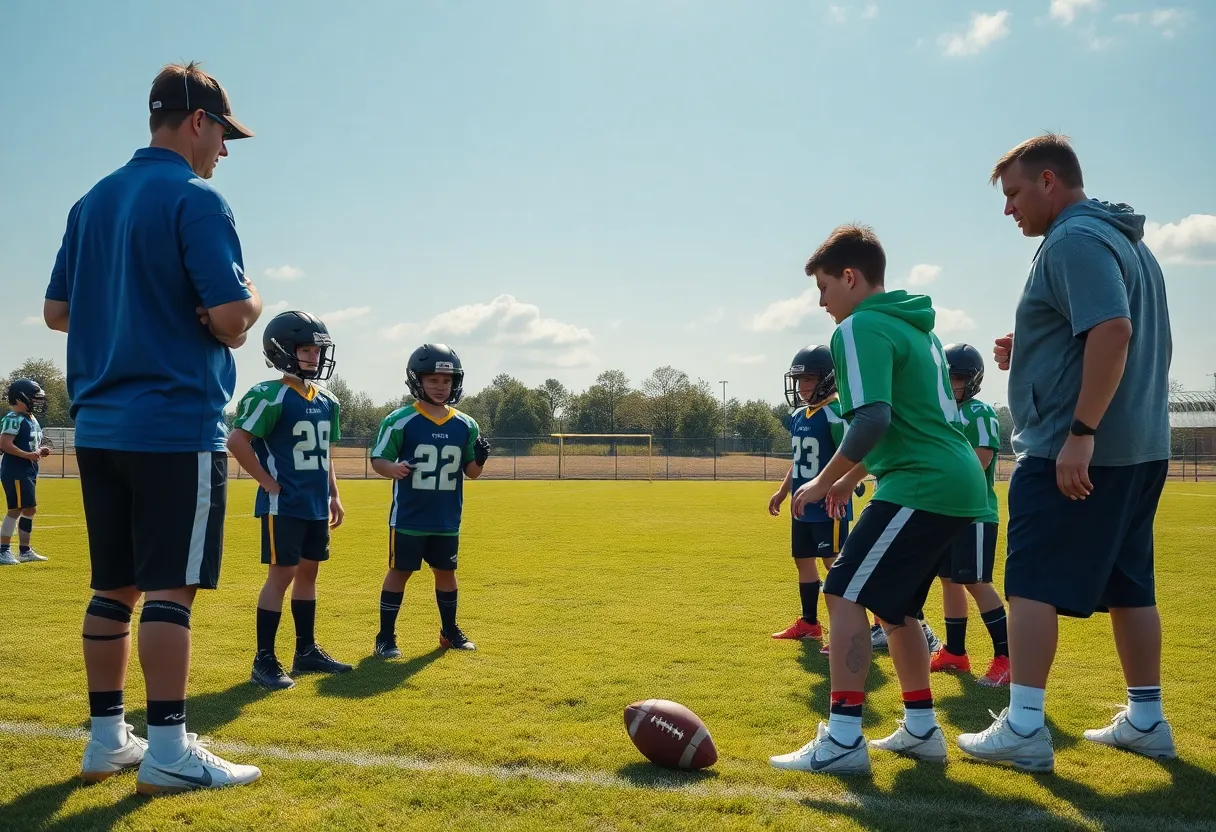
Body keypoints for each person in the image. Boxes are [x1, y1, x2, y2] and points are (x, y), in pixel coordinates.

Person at [44, 61, 263, 793]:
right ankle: (168, 749)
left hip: (99, 427)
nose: (224, 150)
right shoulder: (197, 199)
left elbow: (58, 312)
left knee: (115, 586)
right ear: (198, 120)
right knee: (172, 589)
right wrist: (252, 303)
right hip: (173, 423)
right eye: (223, 134)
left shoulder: (91, 200)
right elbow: (229, 318)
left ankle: (107, 739)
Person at [958, 134, 1175, 771]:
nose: (1009, 209)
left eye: (1014, 193)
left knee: (1029, 582)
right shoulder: (1124, 239)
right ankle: (1146, 718)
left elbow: (1113, 330)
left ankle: (1025, 726)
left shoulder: (1073, 238)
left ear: (1049, 181)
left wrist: (1080, 432)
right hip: (1140, 448)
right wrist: (1031, 343)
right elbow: (1107, 329)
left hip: (1073, 449)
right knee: (1132, 586)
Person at [769, 224, 988, 775]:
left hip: (922, 481)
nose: (821, 302)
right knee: (897, 608)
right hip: (950, 478)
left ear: (849, 277)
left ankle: (844, 737)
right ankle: (921, 728)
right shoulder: (915, 328)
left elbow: (872, 418)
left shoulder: (859, 326)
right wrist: (849, 479)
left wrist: (824, 481)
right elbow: (907, 421)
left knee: (842, 592)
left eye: (823, 287)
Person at [227, 311, 352, 691]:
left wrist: (334, 493)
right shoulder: (270, 394)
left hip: (314, 503)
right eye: (306, 350)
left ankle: (306, 650)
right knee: (281, 575)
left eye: (318, 350)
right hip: (283, 505)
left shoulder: (327, 399)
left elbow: (324, 453)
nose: (315, 357)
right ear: (282, 351)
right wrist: (267, 482)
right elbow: (237, 441)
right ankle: (264, 659)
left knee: (309, 574)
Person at [370, 344, 491, 657]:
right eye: (433, 380)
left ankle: (449, 631)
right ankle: (385, 637)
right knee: (400, 572)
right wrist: (392, 469)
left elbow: (472, 473)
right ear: (417, 380)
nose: (441, 387)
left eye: (447, 381)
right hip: (409, 516)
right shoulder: (400, 420)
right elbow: (379, 459)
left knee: (446, 573)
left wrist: (480, 459)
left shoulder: (466, 424)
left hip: (446, 517)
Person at [928, 344, 1010, 687]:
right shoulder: (941, 411)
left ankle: (1007, 657)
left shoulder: (979, 412)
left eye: (958, 377)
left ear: (973, 379)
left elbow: (979, 462)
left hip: (973, 513)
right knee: (949, 580)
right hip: (945, 512)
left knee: (976, 582)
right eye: (947, 377)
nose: (951, 384)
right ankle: (955, 652)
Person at [768, 345, 855, 645]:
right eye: (798, 380)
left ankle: (847, 630)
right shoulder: (799, 415)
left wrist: (846, 485)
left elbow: (852, 455)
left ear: (827, 379)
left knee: (834, 564)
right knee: (803, 560)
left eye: (808, 379)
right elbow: (799, 460)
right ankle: (809, 623)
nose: (802, 386)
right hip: (802, 503)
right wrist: (783, 491)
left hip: (829, 504)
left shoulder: (836, 414)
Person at [0, 380, 51, 565]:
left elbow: (29, 443)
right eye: (33, 398)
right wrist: (27, 455)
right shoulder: (14, 417)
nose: (37, 402)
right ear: (20, 398)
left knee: (30, 508)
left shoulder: (30, 417)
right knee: (15, 509)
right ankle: (3, 550)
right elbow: (4, 444)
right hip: (16, 469)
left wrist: (39, 450)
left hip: (28, 469)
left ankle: (25, 550)